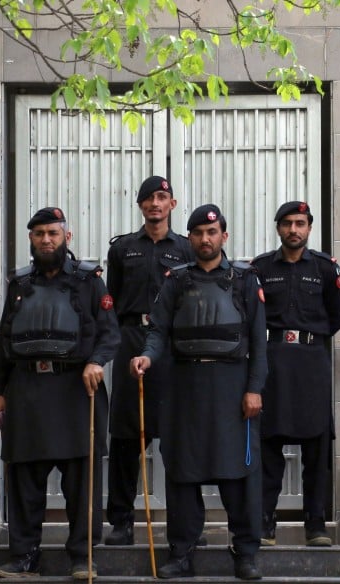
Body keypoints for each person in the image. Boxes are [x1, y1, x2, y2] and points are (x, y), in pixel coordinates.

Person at [130, 204, 267, 580]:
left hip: (232, 389)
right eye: (198, 233)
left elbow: (259, 342)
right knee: (183, 471)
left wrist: (254, 389)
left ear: (224, 235)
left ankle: (245, 552)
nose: (205, 239)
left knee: (239, 472)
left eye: (212, 232)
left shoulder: (245, 280)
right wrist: (146, 357)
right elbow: (158, 331)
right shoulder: (175, 280)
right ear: (189, 238)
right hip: (184, 389)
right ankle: (182, 552)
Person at [0, 207, 120, 579]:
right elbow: (4, 342)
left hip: (76, 390)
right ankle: (24, 557)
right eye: (39, 234)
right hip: (27, 390)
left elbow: (110, 334)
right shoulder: (19, 284)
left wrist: (96, 361)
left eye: (53, 233)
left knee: (81, 482)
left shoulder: (89, 281)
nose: (46, 240)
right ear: (31, 239)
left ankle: (82, 556)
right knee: (25, 481)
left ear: (67, 237)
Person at [104, 176, 192, 546]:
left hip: (172, 347)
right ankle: (121, 521)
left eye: (162, 197)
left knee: (178, 438)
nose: (155, 203)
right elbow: (111, 300)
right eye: (148, 198)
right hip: (131, 339)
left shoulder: (186, 248)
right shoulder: (123, 249)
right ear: (140, 205)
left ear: (172, 204)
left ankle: (186, 523)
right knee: (127, 436)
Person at [252, 201, 340, 547]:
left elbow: (334, 319)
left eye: (300, 223)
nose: (294, 229)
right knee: (269, 445)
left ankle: (316, 526)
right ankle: (265, 523)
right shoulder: (261, 268)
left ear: (309, 228)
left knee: (316, 447)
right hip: (274, 360)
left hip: (311, 361)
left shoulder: (325, 268)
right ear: (278, 228)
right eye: (288, 223)